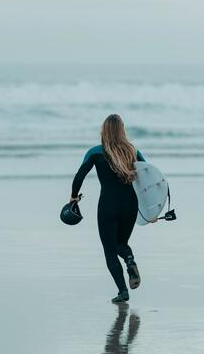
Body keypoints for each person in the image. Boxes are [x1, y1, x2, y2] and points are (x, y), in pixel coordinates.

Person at [70, 114, 146, 303]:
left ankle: (123, 291)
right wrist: (152, 208)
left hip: (108, 206)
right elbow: (149, 177)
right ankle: (129, 260)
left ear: (104, 130)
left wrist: (73, 197)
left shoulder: (96, 152)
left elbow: (79, 176)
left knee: (110, 250)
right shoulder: (133, 151)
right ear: (122, 130)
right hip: (130, 205)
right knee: (121, 244)